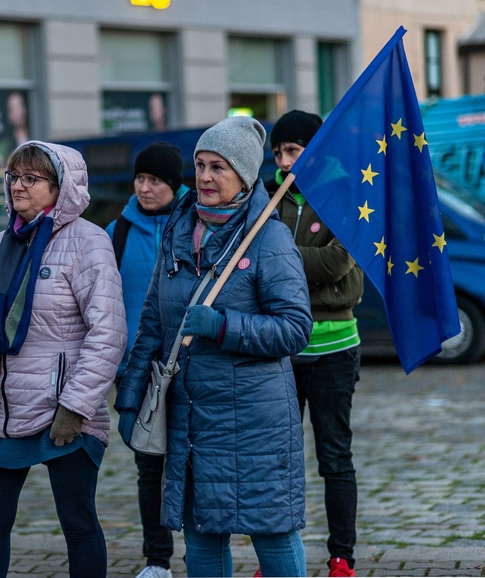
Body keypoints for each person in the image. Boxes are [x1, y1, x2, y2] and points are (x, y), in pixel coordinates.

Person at [115, 116, 313, 578]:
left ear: (243, 176)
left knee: (273, 532)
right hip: (191, 419)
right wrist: (130, 397)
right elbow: (151, 323)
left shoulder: (270, 236)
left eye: (218, 167)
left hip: (255, 422)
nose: (204, 177)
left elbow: (293, 328)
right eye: (200, 165)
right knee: (202, 535)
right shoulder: (178, 230)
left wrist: (224, 326)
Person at [0, 141, 128, 578]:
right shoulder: (0, 244)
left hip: (62, 410)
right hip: (1, 407)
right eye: (13, 177)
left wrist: (77, 406)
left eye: (31, 178)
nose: (18, 186)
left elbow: (108, 333)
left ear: (61, 187)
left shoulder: (89, 242)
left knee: (78, 524)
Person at [266, 110, 363, 578]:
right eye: (278, 154)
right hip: (283, 347)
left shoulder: (345, 192)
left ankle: (341, 555)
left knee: (334, 455)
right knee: (280, 457)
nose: (285, 162)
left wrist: (279, 256)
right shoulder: (270, 199)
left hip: (334, 347)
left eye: (293, 151)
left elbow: (336, 264)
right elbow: (256, 264)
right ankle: (279, 555)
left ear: (316, 148)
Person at [106, 141, 189, 578]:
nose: (145, 187)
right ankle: (157, 559)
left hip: (190, 364)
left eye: (155, 180)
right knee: (149, 466)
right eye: (140, 178)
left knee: (195, 461)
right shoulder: (115, 233)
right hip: (137, 368)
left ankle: (202, 550)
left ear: (174, 186)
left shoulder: (195, 226)